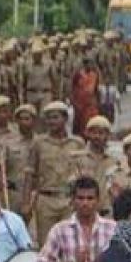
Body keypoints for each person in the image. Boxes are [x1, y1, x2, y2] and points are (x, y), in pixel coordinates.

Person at [26, 101, 86, 244]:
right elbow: (30, 172)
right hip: (46, 200)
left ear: (65, 119)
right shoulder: (38, 143)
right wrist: (26, 202)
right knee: (46, 244)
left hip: (69, 200)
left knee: (70, 243)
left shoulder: (77, 143)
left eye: (55, 117)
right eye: (48, 118)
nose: (51, 122)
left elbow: (84, 173)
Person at [71, 116, 118, 214]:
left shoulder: (114, 161)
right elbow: (71, 185)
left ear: (107, 136)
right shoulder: (77, 158)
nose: (97, 136)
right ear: (87, 133)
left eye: (101, 133)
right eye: (93, 132)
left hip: (106, 212)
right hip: (83, 211)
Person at [70, 58, 101, 136]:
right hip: (80, 102)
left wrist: (98, 102)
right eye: (86, 64)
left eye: (90, 64)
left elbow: (96, 89)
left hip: (90, 103)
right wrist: (73, 100)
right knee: (79, 121)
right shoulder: (78, 74)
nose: (89, 66)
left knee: (91, 120)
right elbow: (73, 87)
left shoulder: (94, 74)